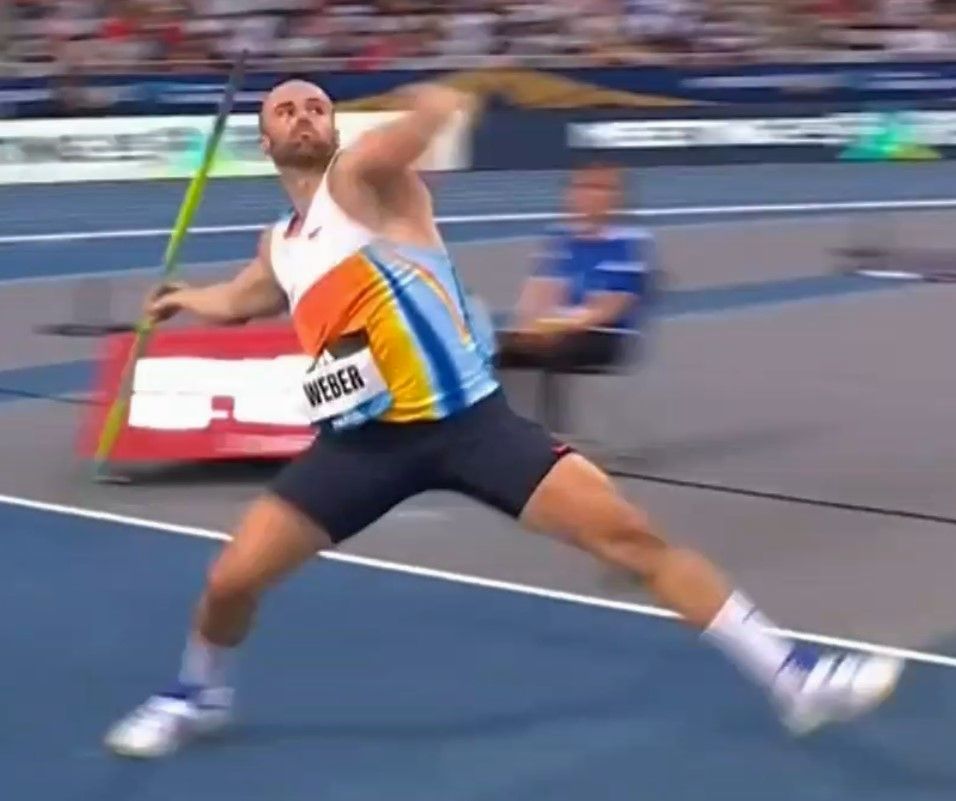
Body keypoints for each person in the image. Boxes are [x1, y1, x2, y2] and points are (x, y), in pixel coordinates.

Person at [103, 79, 903, 758]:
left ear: (336, 128)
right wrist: (185, 299)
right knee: (230, 579)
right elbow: (243, 298)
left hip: (471, 426)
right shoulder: (279, 243)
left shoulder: (365, 184)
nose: (305, 116)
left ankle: (793, 678)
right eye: (286, 110)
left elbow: (400, 141)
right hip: (362, 445)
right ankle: (199, 693)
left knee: (632, 538)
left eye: (317, 106)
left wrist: (437, 101)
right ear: (266, 141)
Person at [497, 161, 652, 431]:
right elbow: (539, 291)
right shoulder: (561, 238)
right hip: (559, 328)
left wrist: (551, 327)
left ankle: (551, 436)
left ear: (616, 198)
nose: (589, 195)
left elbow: (609, 307)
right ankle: (507, 430)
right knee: (490, 349)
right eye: (582, 187)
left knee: (553, 349)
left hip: (606, 336)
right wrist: (524, 328)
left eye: (600, 188)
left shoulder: (628, 243)